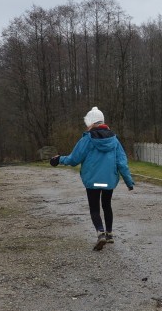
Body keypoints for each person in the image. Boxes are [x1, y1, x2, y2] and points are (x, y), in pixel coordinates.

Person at [50, 106, 135, 251]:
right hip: (109, 180)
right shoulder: (114, 140)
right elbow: (122, 163)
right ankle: (109, 234)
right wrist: (129, 182)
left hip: (93, 180)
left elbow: (74, 159)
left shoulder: (87, 139)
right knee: (107, 205)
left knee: (94, 208)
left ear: (91, 122)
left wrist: (59, 160)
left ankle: (100, 232)